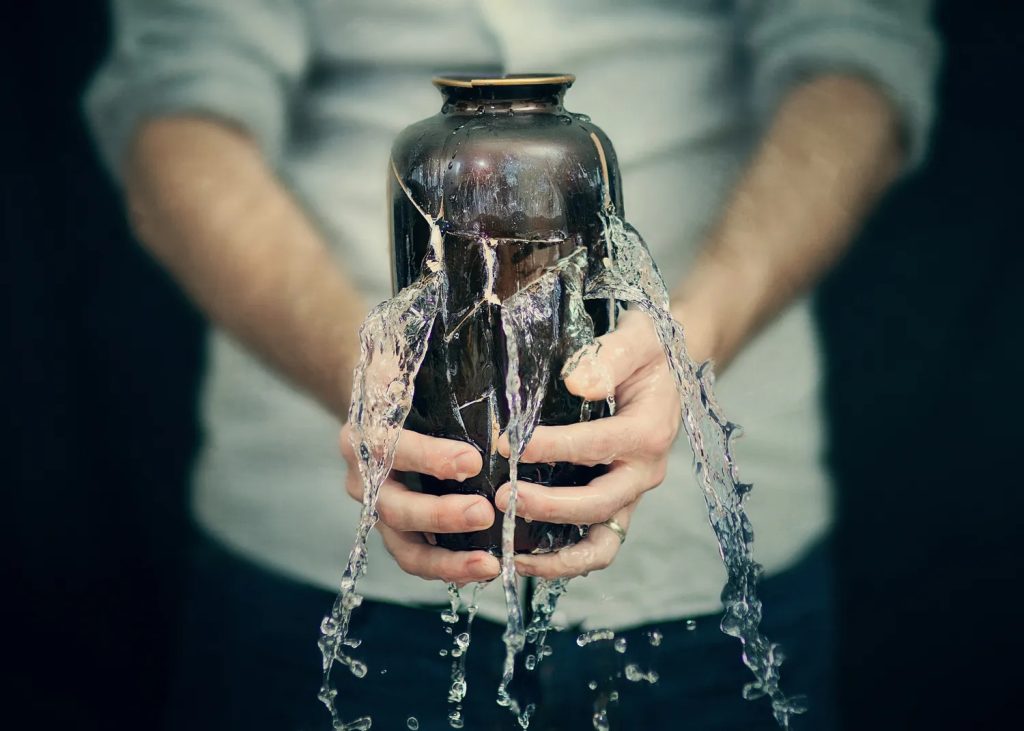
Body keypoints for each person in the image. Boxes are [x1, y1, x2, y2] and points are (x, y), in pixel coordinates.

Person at [86, 1, 939, 729]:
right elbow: (177, 100)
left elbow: (856, 51)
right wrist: (364, 374)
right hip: (310, 540)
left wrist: (689, 337)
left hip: (711, 560)